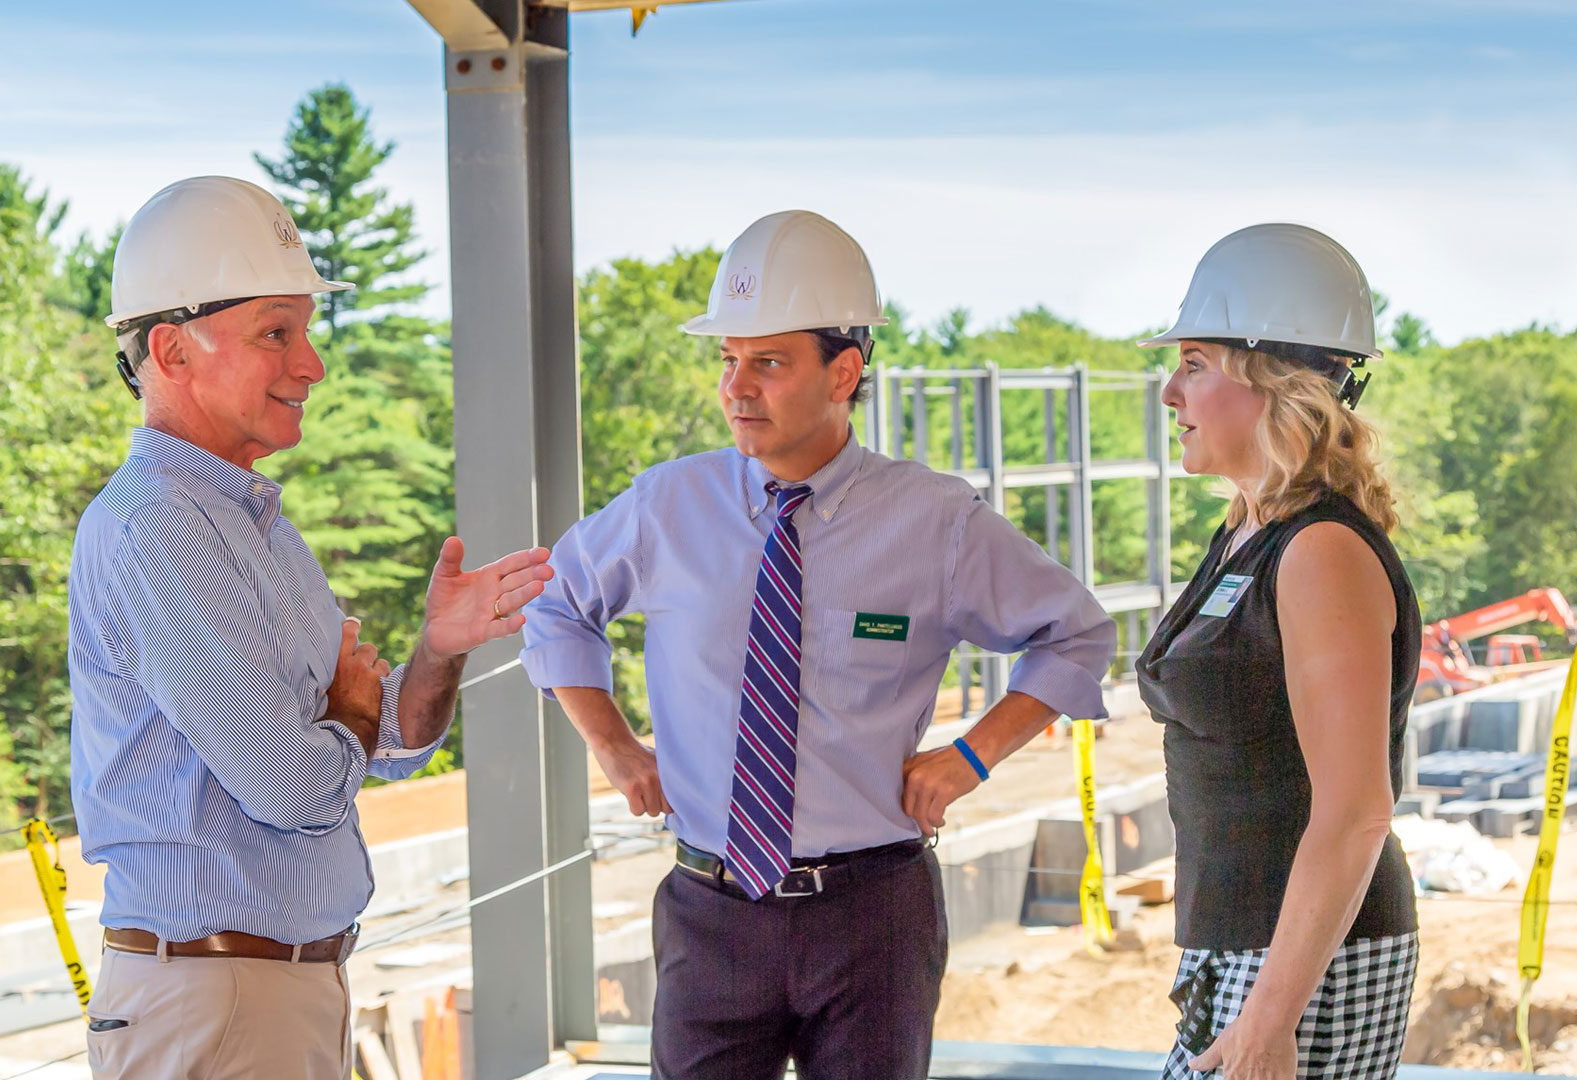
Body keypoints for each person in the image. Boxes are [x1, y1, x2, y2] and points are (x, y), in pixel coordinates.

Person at [519, 209, 1117, 1080]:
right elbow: (553, 607)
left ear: (845, 371)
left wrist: (968, 760)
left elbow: (1077, 636)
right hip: (710, 913)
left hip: (873, 917)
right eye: (727, 360)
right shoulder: (666, 508)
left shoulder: (935, 521)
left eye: (768, 362)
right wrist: (612, 745)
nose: (736, 388)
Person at [68, 175, 553, 1080]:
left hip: (263, 994)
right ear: (171, 350)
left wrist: (434, 653)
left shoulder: (254, 526)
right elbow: (296, 787)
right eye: (276, 334)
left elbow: (383, 741)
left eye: (306, 331)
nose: (312, 364)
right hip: (218, 1003)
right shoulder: (163, 527)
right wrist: (350, 721)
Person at [1134, 223, 1421, 1079]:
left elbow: (1357, 810)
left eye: (1193, 363)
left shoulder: (1321, 553)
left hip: (1306, 967)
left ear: (1274, 382)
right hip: (1249, 949)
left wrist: (1270, 1019)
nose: (1167, 392)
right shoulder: (1249, 529)